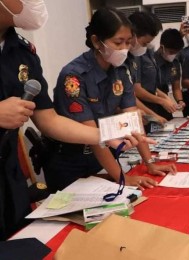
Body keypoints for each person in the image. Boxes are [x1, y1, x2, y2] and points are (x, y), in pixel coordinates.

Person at [0, 1, 147, 240]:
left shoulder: (23, 52)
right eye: (119, 42)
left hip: (9, 175)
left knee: (20, 243)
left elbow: (48, 119)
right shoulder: (75, 73)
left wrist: (105, 134)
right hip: (67, 162)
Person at [42, 7, 177, 193]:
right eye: (118, 42)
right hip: (71, 163)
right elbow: (93, 135)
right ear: (97, 41)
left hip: (103, 158)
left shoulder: (121, 70)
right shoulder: (74, 76)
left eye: (128, 43)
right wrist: (123, 177)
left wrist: (149, 163)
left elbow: (133, 120)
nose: (124, 49)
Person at [128, 11, 178, 126]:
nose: (146, 46)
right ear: (133, 35)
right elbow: (134, 91)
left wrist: (164, 97)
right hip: (135, 111)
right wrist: (158, 105)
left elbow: (150, 85)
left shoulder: (145, 53)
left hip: (145, 110)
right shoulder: (128, 57)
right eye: (144, 43)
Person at [154, 28, 186, 120]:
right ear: (162, 47)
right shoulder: (151, 62)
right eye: (171, 52)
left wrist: (180, 101)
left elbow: (176, 88)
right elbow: (147, 88)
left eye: (176, 53)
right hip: (151, 104)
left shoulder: (175, 62)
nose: (174, 55)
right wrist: (163, 100)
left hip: (166, 106)